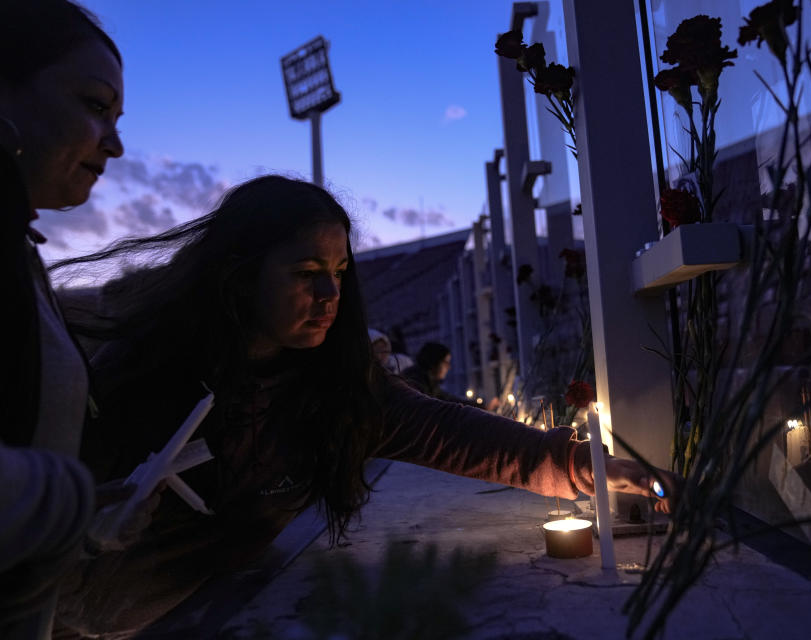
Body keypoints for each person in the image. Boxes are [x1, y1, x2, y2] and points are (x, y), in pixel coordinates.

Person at [52, 175, 678, 637]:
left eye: (339, 270)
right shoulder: (138, 372)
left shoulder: (337, 387)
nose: (330, 293)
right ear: (240, 276)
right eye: (305, 272)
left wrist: (584, 464)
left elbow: (457, 435)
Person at [0, 2, 148, 637]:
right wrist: (72, 501)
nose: (113, 145)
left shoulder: (19, 248)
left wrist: (81, 522)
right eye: (94, 105)